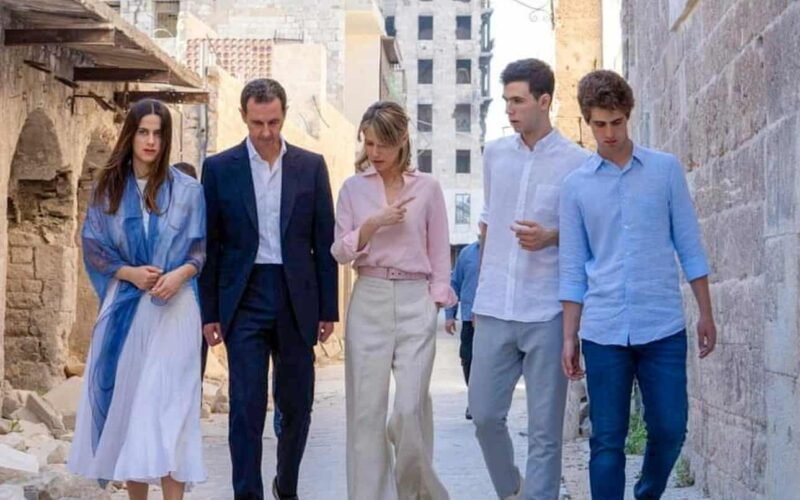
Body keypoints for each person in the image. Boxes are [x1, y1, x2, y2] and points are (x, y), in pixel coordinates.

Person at [559, 69, 717, 500]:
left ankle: (647, 493)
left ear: (628, 115)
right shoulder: (575, 187)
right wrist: (569, 336)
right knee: (606, 440)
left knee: (670, 429)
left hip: (662, 325)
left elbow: (689, 245)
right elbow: (572, 268)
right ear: (587, 122)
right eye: (599, 124)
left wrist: (706, 312)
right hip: (603, 329)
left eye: (616, 122)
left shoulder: (665, 171)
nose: (609, 133)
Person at [199, 78, 338, 500]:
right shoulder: (219, 169)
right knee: (246, 405)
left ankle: (287, 485)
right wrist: (210, 312)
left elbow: (324, 241)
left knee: (297, 403)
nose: (265, 131)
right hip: (244, 296)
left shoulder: (310, 166)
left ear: (284, 115)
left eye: (273, 122)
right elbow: (211, 244)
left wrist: (328, 309)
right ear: (243, 116)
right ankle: (247, 493)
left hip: (297, 296)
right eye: (257, 122)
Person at [68, 99, 207, 500]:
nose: (150, 141)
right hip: (127, 311)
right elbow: (94, 246)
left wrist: (179, 275)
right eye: (143, 132)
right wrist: (130, 273)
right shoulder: (108, 189)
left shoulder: (188, 191)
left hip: (176, 310)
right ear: (130, 135)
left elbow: (199, 251)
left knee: (174, 409)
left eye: (158, 133)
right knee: (134, 407)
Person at [469, 58, 590, 500]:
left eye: (518, 101)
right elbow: (487, 223)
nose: (509, 110)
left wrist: (551, 236)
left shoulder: (578, 164)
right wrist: (478, 293)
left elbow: (587, 234)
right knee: (484, 415)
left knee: (544, 431)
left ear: (544, 101)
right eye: (506, 101)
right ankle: (512, 491)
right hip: (495, 305)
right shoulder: (494, 154)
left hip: (547, 310)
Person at [331, 101, 455, 500]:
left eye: (382, 144)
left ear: (402, 139)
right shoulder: (353, 189)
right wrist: (371, 225)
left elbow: (440, 251)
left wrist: (435, 300)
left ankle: (419, 493)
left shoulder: (428, 188)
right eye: (368, 143)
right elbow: (339, 251)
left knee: (409, 410)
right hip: (369, 297)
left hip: (416, 300)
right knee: (366, 415)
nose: (375, 152)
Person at [444, 237, 480, 420]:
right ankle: (474, 399)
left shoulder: (501, 253)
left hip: (493, 320)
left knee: (493, 362)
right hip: (468, 319)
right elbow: (455, 284)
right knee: (468, 358)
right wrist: (449, 315)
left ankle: (487, 404)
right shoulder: (467, 254)